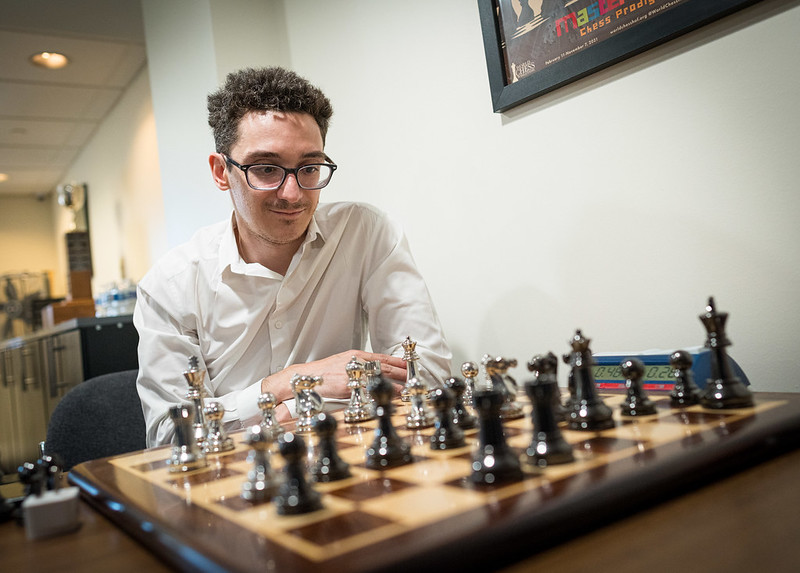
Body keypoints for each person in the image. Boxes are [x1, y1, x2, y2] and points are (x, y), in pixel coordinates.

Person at [134, 67, 452, 447]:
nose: (293, 193)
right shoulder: (168, 288)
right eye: (266, 169)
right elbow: (171, 437)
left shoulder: (366, 233)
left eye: (309, 168)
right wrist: (289, 384)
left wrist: (286, 410)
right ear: (222, 172)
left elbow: (424, 374)